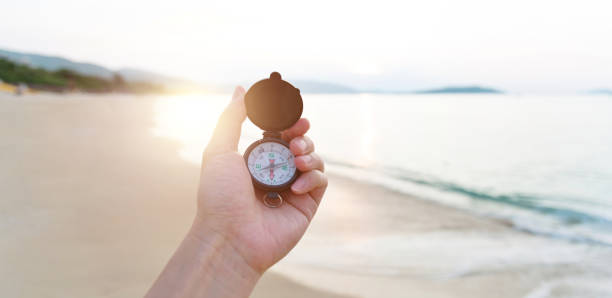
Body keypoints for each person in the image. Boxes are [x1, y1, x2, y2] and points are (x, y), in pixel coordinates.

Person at [145, 86, 328, 298]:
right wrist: (225, 234)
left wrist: (230, 244)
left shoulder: (285, 155)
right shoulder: (277, 160)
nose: (270, 167)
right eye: (269, 166)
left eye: (276, 165)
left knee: (300, 157)